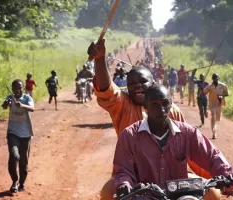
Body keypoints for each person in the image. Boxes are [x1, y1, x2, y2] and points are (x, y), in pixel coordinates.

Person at [87, 40, 211, 200]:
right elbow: (106, 89)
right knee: (108, 193)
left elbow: (190, 150)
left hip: (172, 177)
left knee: (212, 192)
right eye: (131, 84)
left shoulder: (173, 111)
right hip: (133, 179)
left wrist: (218, 177)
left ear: (154, 83)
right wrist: (99, 58)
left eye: (142, 82)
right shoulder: (123, 105)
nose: (137, 86)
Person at [113, 84, 233, 200]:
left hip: (182, 195)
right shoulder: (129, 136)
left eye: (165, 103)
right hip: (144, 196)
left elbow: (212, 156)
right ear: (145, 106)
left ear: (171, 103)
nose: (162, 110)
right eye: (155, 105)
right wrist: (124, 184)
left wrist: (228, 174)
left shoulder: (188, 132)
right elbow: (123, 170)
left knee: (214, 195)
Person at [1, 79, 34, 193]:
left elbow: (32, 108)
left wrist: (22, 105)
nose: (17, 90)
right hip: (13, 132)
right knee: (14, 155)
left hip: (26, 134)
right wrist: (6, 104)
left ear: (23, 88)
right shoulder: (10, 97)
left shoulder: (27, 98)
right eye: (15, 88)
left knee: (24, 163)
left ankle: (22, 183)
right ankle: (14, 181)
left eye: (19, 88)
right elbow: (5, 106)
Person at [203, 73, 229, 139]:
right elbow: (204, 93)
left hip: (219, 104)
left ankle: (214, 129)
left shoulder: (223, 85)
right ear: (212, 79)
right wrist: (202, 89)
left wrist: (221, 96)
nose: (215, 79)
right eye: (214, 78)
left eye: (216, 78)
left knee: (217, 119)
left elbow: (227, 93)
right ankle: (214, 133)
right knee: (213, 117)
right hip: (212, 104)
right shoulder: (209, 86)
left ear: (218, 78)